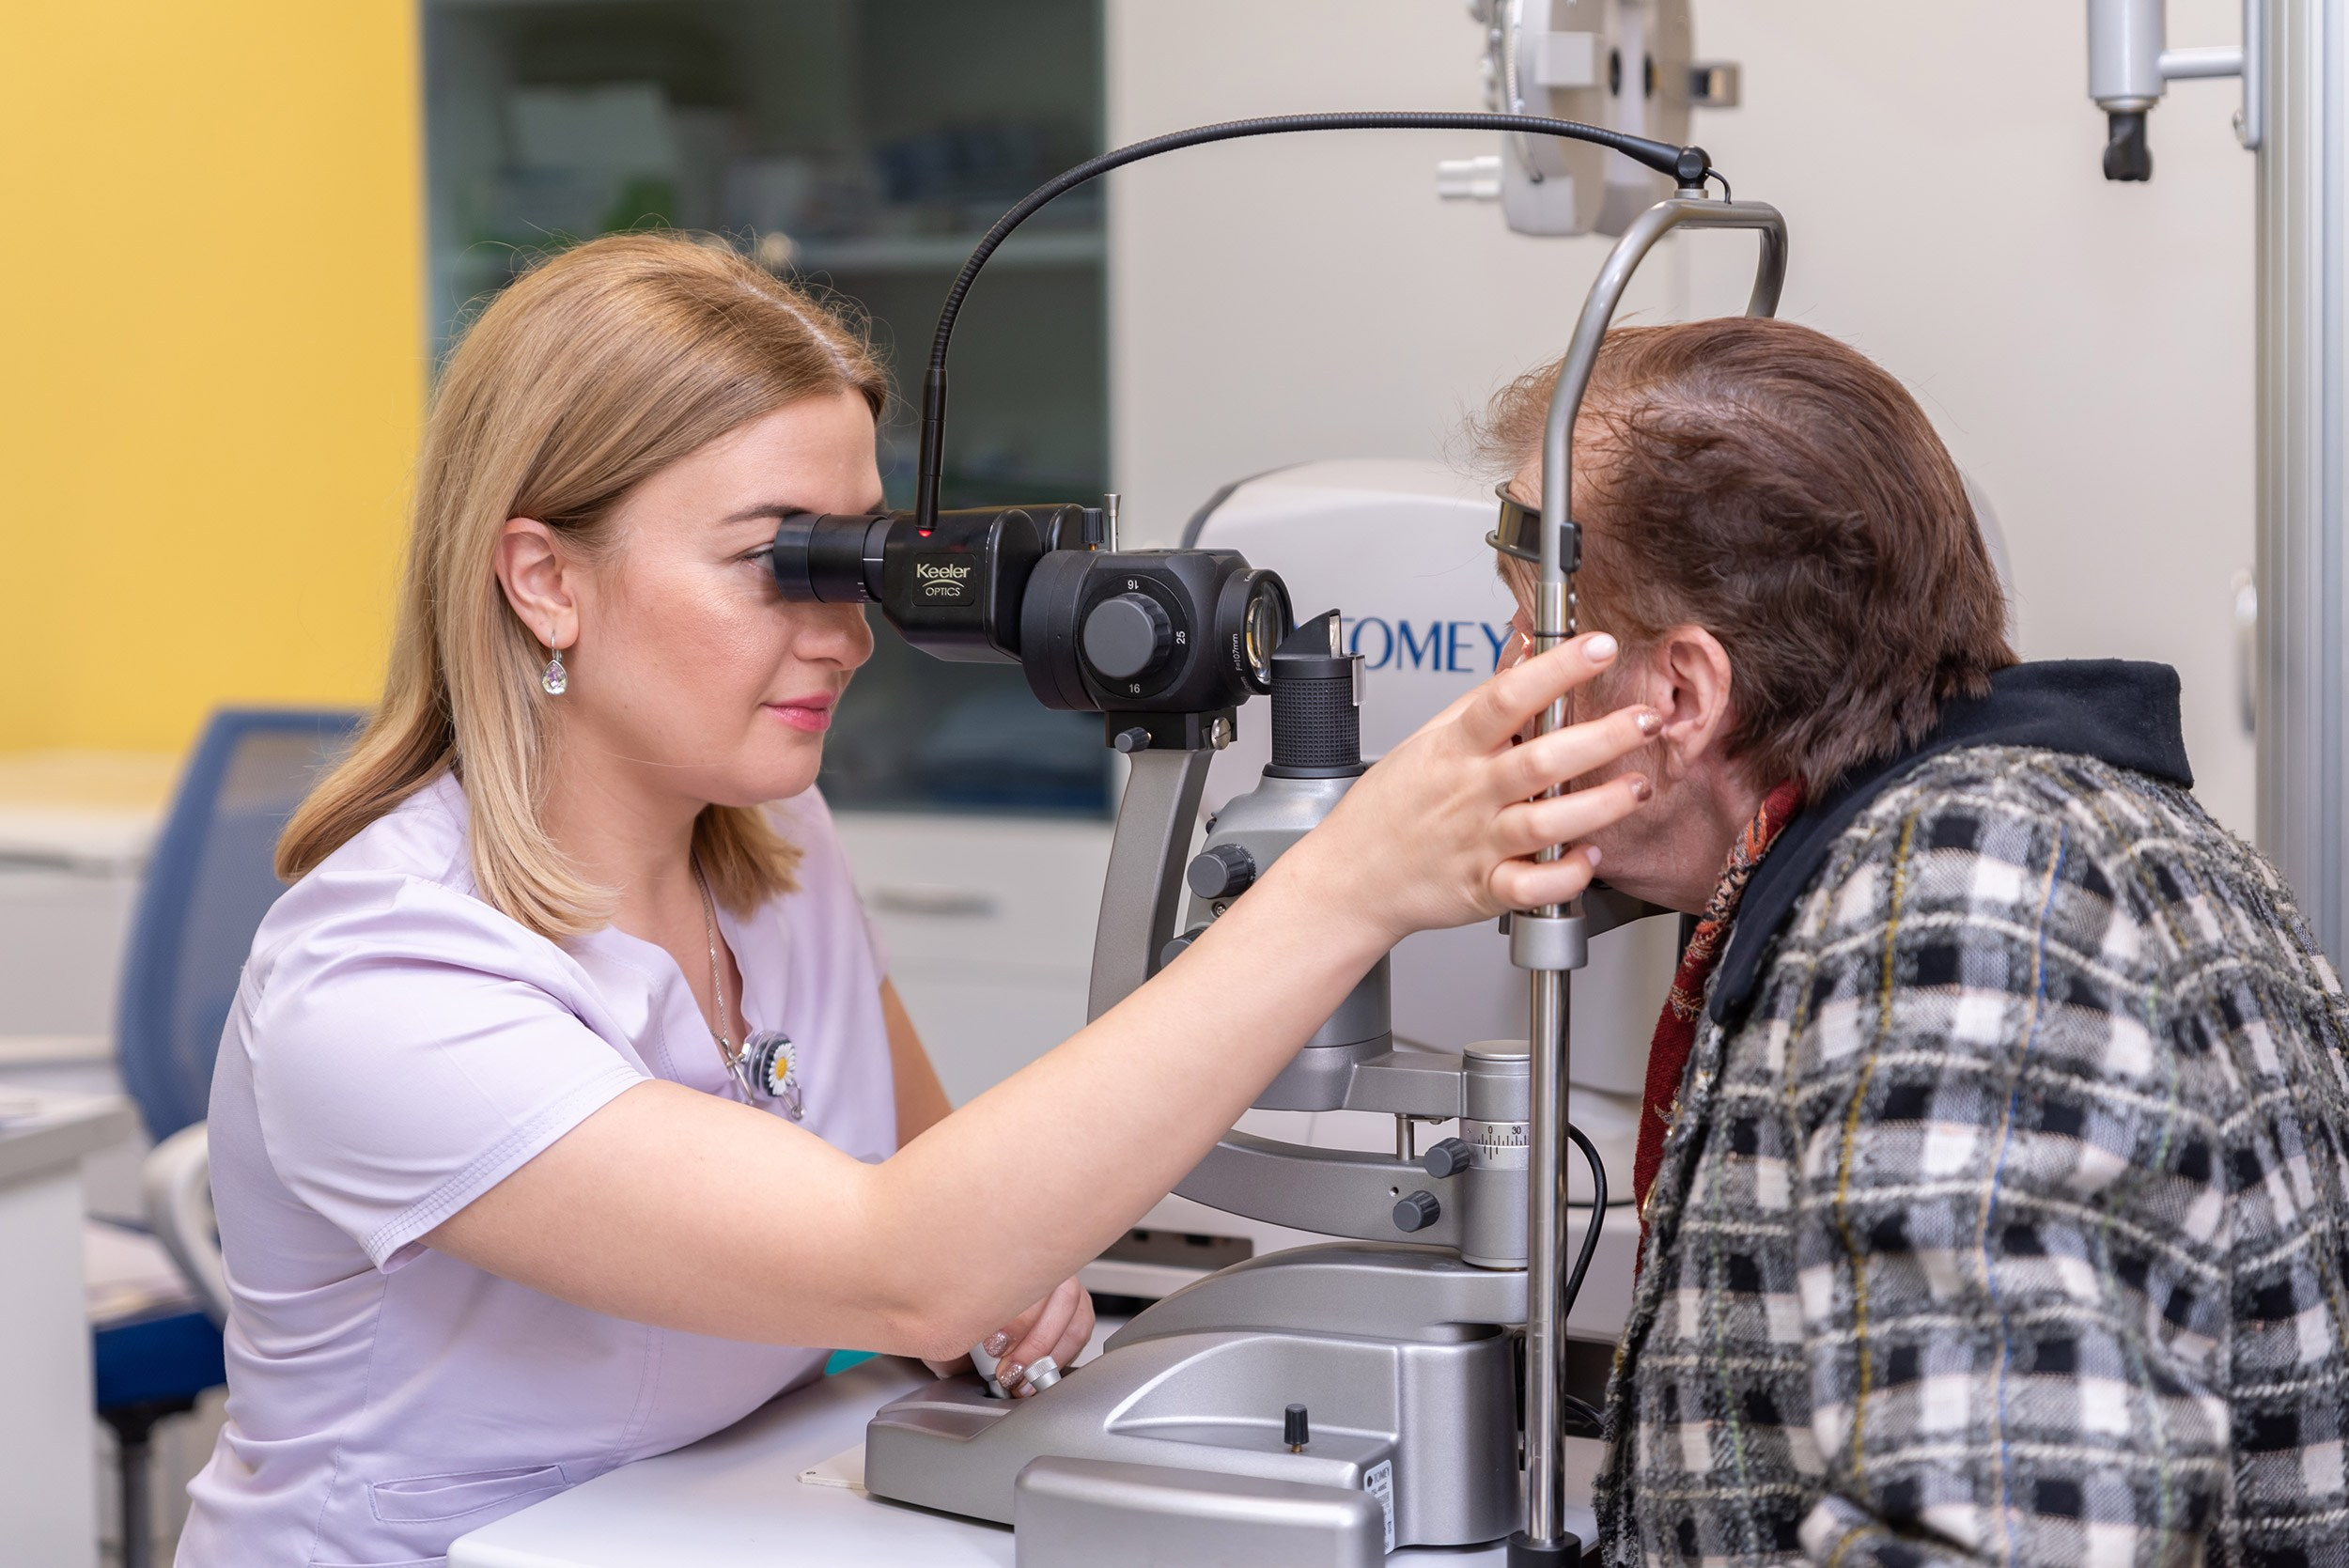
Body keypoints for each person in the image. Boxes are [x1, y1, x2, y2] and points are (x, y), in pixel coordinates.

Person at [175, 232, 1658, 1566]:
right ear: (544, 580)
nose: (845, 634)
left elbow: (956, 1221)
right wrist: (1347, 885)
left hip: (713, 1519)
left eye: (862, 560)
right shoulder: (383, 984)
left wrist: (1001, 1294)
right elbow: (901, 1257)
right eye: (780, 562)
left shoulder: (774, 841)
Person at [1474, 316, 2349, 1565]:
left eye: (1529, 635)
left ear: (1679, 696)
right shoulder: (2041, 836)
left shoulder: (1975, 893)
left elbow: (2004, 1535)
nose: (1499, 691)